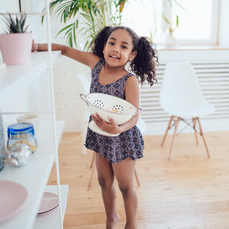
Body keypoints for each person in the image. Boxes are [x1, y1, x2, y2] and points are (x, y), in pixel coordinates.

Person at [32, 26, 158, 229]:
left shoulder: (130, 80)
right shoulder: (96, 64)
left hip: (122, 137)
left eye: (123, 46)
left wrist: (118, 129)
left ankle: (131, 223)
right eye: (112, 43)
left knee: (125, 186)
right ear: (104, 44)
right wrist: (36, 46)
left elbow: (134, 116)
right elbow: (64, 50)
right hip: (100, 134)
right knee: (103, 181)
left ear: (132, 55)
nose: (116, 49)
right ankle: (111, 218)